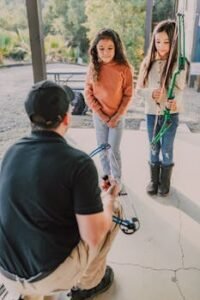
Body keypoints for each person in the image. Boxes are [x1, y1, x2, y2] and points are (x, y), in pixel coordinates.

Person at [0, 80, 122, 300]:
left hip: (6, 273)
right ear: (67, 117)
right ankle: (87, 284)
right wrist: (108, 199)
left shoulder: (11, 153)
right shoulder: (79, 163)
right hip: (46, 276)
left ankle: (30, 295)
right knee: (114, 212)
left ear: (30, 118)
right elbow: (92, 236)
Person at [136, 20, 186, 196]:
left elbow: (180, 90)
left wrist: (176, 103)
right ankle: (153, 180)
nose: (161, 46)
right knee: (153, 146)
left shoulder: (180, 64)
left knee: (166, 148)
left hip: (170, 115)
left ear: (174, 42)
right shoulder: (147, 63)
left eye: (166, 42)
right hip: (151, 114)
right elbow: (139, 90)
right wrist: (151, 93)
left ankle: (165, 181)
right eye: (158, 41)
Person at [84, 28, 133, 193]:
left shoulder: (124, 68)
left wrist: (116, 116)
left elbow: (128, 95)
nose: (105, 52)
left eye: (110, 48)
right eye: (101, 48)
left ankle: (117, 181)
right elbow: (88, 93)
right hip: (99, 117)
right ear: (96, 49)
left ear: (116, 48)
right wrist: (102, 115)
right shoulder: (93, 67)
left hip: (117, 117)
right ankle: (106, 179)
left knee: (113, 149)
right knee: (102, 149)